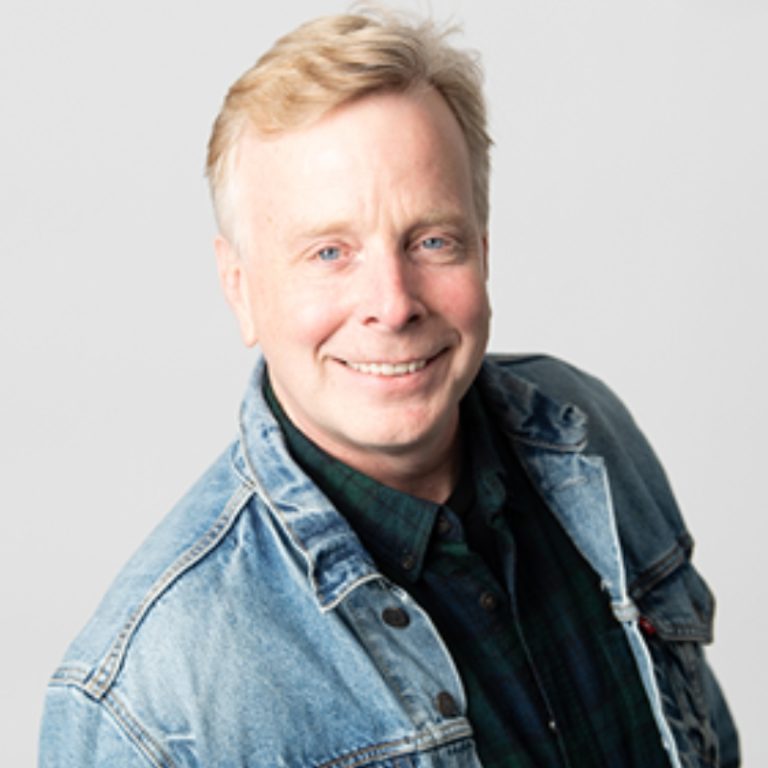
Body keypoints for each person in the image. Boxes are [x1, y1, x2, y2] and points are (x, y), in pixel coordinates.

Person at [39, 10, 739, 768]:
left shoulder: (588, 435)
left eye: (432, 241)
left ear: (483, 251)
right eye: (330, 252)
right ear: (239, 288)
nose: (394, 303)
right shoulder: (149, 696)